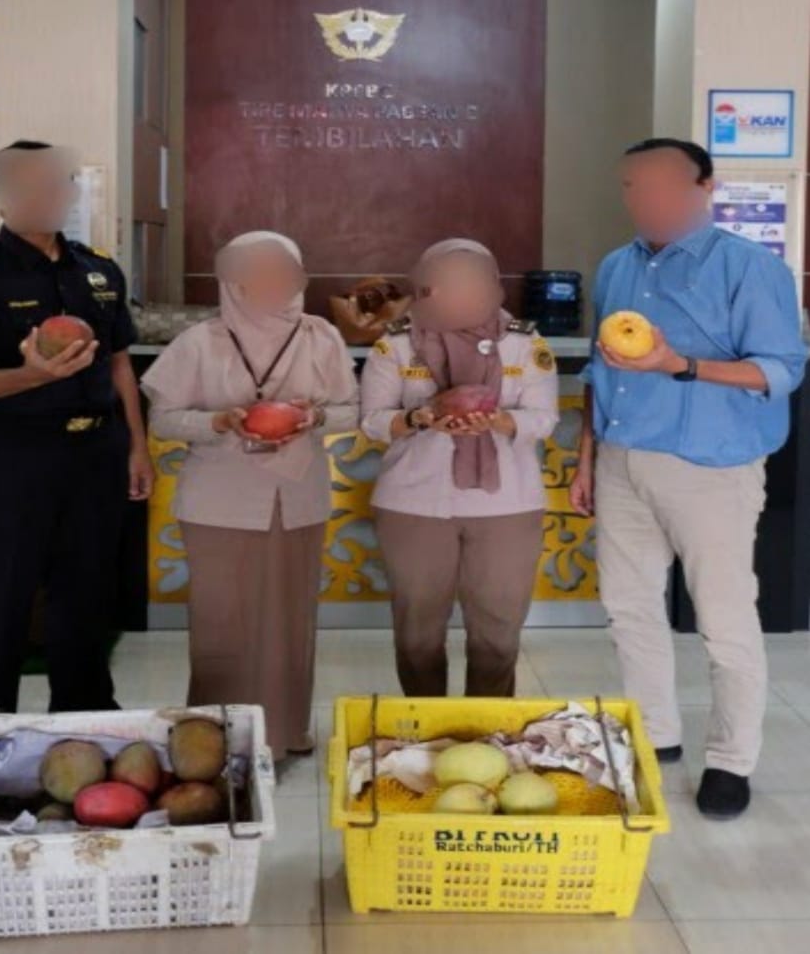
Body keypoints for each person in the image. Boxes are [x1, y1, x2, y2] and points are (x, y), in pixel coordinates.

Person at [569, 138, 806, 820]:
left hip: (712, 467)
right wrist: (587, 454)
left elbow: (779, 370)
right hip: (621, 458)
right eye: (632, 186)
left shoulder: (750, 268)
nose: (646, 200)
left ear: (705, 186)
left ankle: (731, 759)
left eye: (662, 185)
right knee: (629, 605)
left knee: (725, 618)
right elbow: (600, 367)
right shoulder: (618, 265)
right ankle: (656, 734)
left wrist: (683, 364)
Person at [0, 140, 153, 715]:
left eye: (57, 183)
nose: (46, 196)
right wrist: (30, 376)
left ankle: (82, 722)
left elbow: (120, 362)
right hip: (9, 460)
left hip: (95, 456)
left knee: (87, 593)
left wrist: (136, 447)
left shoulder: (99, 270)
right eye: (28, 186)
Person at [140, 231, 358, 761]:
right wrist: (217, 420)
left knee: (290, 620)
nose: (277, 286)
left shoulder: (321, 336)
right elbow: (163, 419)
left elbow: (352, 410)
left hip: (298, 496)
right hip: (220, 501)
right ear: (231, 282)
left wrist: (315, 417)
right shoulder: (200, 342)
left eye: (288, 274)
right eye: (260, 275)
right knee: (222, 622)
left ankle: (285, 732)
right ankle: (214, 743)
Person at [361, 239, 559, 697]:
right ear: (427, 290)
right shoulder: (395, 344)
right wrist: (421, 417)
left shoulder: (524, 343)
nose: (466, 296)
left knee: (498, 632)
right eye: (450, 286)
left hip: (506, 503)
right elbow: (371, 422)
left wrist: (501, 420)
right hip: (413, 501)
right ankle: (425, 729)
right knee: (417, 632)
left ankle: (487, 734)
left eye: (477, 284)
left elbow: (545, 419)